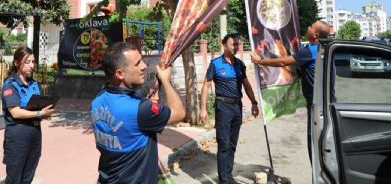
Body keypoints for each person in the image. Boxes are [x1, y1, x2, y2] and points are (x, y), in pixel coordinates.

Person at [90, 42, 186, 183]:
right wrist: (166, 81)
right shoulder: (140, 110)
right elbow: (179, 113)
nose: (144, 66)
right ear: (120, 74)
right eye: (137, 63)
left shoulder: (97, 101)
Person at [250, 20, 331, 162]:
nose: (308, 27)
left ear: (316, 35)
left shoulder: (311, 50)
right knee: (325, 143)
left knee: (314, 143)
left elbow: (283, 62)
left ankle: (318, 172)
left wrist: (260, 61)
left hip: (317, 105)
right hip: (328, 101)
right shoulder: (326, 49)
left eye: (311, 27)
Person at [199, 34, 260, 184]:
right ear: (225, 45)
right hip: (223, 107)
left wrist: (254, 102)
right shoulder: (215, 64)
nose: (236, 47)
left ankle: (228, 176)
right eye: (233, 44)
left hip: (237, 107)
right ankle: (224, 181)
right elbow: (206, 86)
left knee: (232, 145)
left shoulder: (240, 64)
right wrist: (203, 109)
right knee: (224, 144)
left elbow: (247, 85)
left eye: (238, 45)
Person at [1, 46, 54, 184]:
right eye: (27, 62)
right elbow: (15, 112)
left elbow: (36, 107)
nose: (31, 65)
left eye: (33, 61)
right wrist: (39, 113)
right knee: (14, 179)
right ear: (16, 63)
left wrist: (44, 113)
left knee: (27, 177)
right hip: (18, 136)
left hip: (34, 133)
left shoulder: (34, 84)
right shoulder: (10, 85)